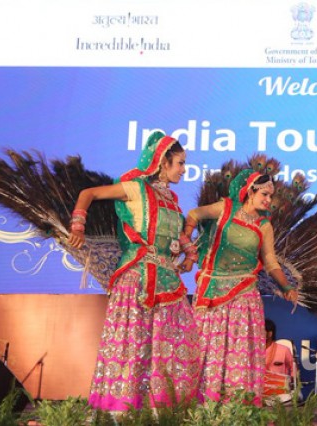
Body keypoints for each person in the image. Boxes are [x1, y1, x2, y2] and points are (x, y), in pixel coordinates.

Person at [68, 131, 199, 411]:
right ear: (163, 162)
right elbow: (89, 194)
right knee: (133, 344)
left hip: (167, 279)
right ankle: (122, 409)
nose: (184, 170)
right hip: (138, 279)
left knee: (173, 344)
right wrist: (78, 226)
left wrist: (189, 253)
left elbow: (175, 234)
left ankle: (161, 408)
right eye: (180, 163)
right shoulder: (136, 189)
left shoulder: (172, 200)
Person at [182, 169, 298, 403]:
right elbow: (194, 214)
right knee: (207, 349)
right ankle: (204, 405)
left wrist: (287, 287)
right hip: (212, 292)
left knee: (240, 353)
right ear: (250, 192)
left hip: (244, 295)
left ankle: (237, 406)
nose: (268, 200)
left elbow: (270, 261)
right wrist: (186, 245)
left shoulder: (264, 225)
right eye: (264, 194)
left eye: (271, 196)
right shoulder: (225, 209)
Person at [263, 319, 296, 399]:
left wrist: (291, 382)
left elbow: (294, 368)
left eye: (260, 331)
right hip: (258, 392)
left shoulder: (284, 350)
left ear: (269, 334)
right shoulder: (253, 351)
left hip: (280, 394)